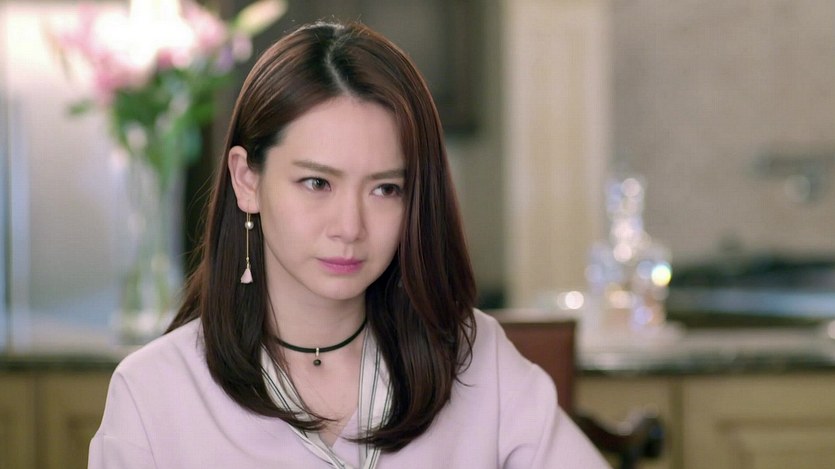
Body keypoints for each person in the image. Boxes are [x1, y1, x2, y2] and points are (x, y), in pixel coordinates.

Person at [89, 21, 609, 468]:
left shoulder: (478, 359)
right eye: (317, 183)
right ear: (247, 180)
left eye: (385, 189)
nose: (350, 227)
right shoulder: (154, 392)